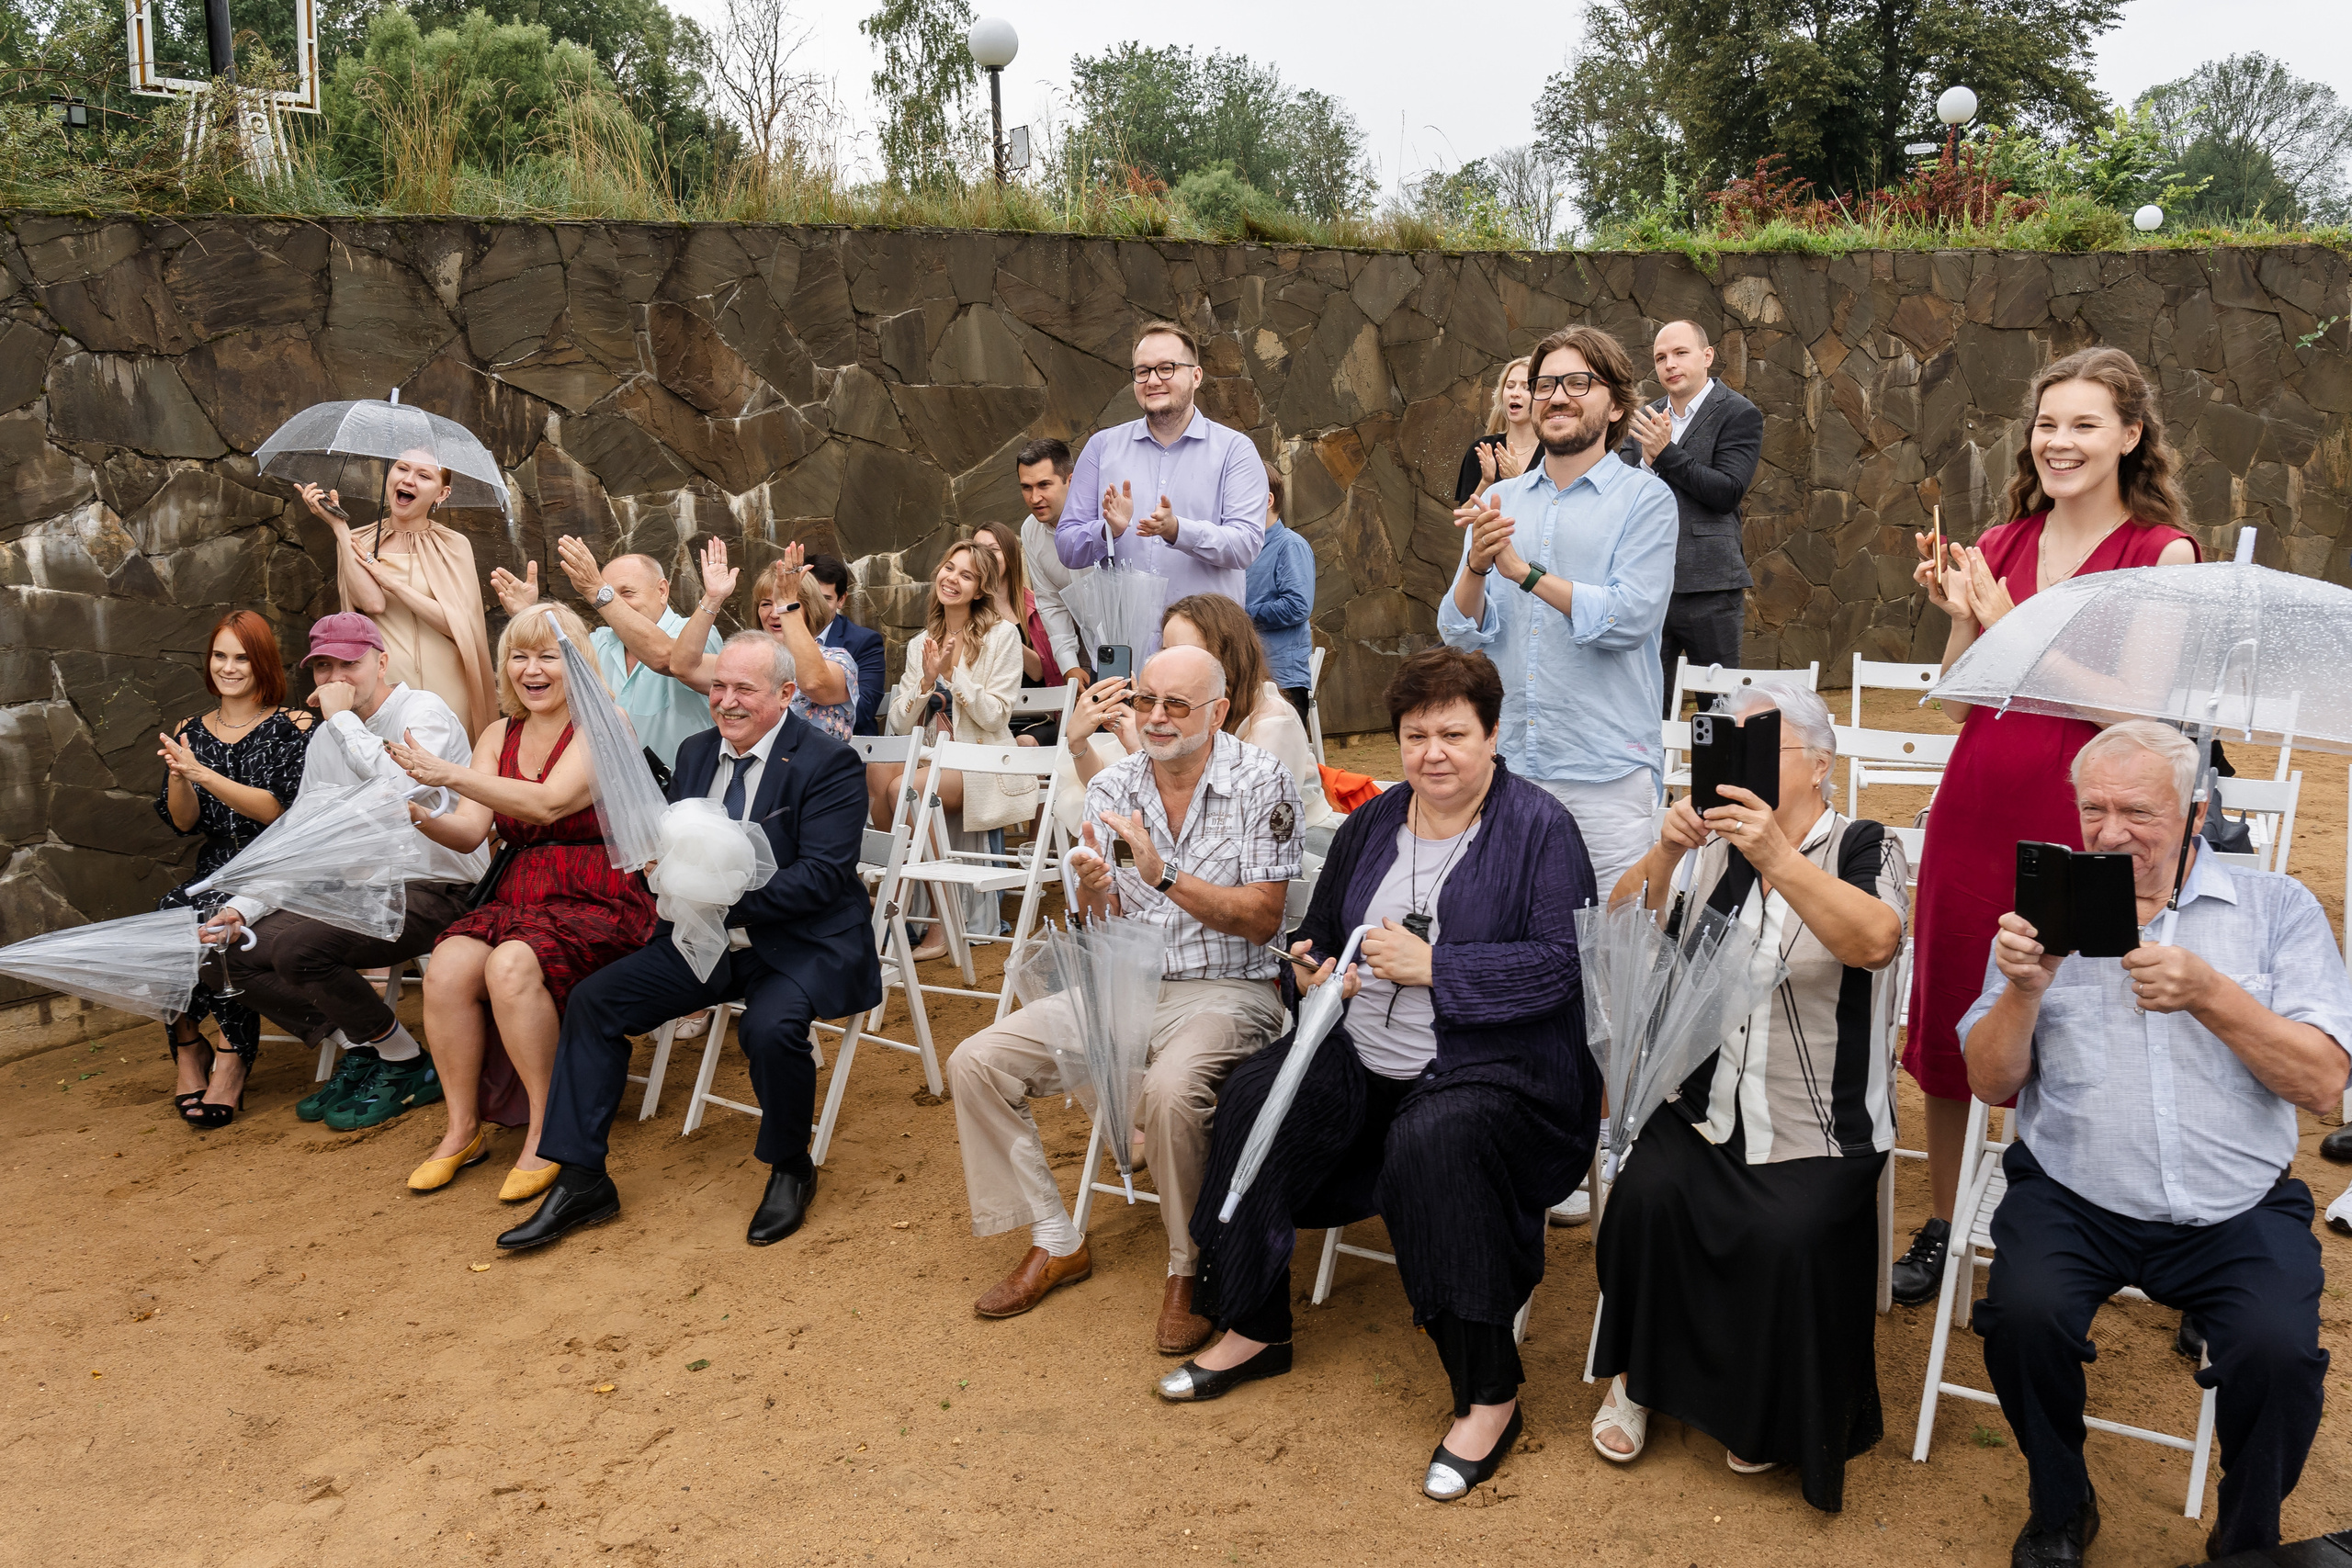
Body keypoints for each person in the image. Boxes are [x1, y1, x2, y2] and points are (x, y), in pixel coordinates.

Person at [1170, 648, 1598, 1506]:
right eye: (1415, 735)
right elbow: (1325, 932)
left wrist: (1439, 968)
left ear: (1493, 734)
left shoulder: (1539, 827)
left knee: (1433, 1139)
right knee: (1257, 1096)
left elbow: (1563, 967)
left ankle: (1489, 1393)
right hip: (1363, 1055)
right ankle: (1255, 1322)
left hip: (1499, 1076)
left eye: (1452, 733)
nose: (1432, 752)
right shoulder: (1375, 823)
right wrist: (1313, 964)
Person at [1960, 721, 2350, 1564]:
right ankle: (2062, 1502)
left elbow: (2324, 1086)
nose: (2107, 833)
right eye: (2092, 808)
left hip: (2234, 1205)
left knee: (2280, 1354)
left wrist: (2210, 991)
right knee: (2021, 1316)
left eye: (2137, 811)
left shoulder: (2278, 909)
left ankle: (2246, 1540)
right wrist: (2023, 993)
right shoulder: (2046, 913)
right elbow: (1989, 1082)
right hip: (2075, 1194)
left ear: (2198, 812)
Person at [1896, 345, 2200, 1308]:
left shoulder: (2162, 555)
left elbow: (2139, 708)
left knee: (2060, 1021)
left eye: (2082, 425)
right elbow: (1956, 702)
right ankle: (1946, 1225)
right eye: (2046, 425)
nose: (2060, 443)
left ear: (2130, 435)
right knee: (1956, 1015)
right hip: (1973, 804)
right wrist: (1964, 614)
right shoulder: (1999, 539)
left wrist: (2017, 620)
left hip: (2084, 821)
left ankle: (2037, 1238)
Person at [1588, 682, 1906, 1514]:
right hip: (1702, 1107)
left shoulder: (1866, 845)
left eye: (1760, 750)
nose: (1738, 769)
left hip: (1817, 1124)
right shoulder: (1714, 854)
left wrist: (1779, 858)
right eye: (1724, 750)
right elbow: (1622, 930)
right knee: (1645, 1200)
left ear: (1821, 767)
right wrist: (1663, 852)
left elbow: (1875, 940)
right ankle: (1635, 1376)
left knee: (1784, 1231)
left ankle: (1754, 1405)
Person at [946, 646, 1301, 1354]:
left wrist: (1163, 875)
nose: (1157, 717)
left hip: (1230, 989)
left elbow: (1263, 920)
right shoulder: (1114, 787)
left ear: (1220, 711)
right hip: (1126, 982)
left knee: (1171, 1091)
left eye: (1177, 704)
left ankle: (1188, 1265)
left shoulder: (1264, 780)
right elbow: (1105, 922)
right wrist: (1098, 893)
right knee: (976, 1061)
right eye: (1145, 701)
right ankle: (1055, 1233)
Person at [498, 632, 881, 1252]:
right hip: (705, 938)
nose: (725, 701)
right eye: (718, 686)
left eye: (744, 690)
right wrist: (661, 868)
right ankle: (581, 1176)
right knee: (595, 1003)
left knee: (769, 1028)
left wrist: (710, 892)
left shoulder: (828, 761)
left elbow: (822, 876)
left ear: (786, 694)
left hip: (800, 943)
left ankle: (790, 1165)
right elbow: (677, 842)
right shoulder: (697, 751)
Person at [387, 603, 658, 1201]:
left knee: (510, 962)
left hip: (599, 892)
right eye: (519, 655)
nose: (531, 669)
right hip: (523, 893)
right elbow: (467, 831)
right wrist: (412, 812)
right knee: (448, 967)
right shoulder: (496, 735)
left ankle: (548, 1125)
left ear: (577, 663)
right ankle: (463, 1127)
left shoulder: (605, 723)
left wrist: (448, 774)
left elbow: (548, 804)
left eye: (548, 655)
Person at [201, 613, 491, 1131]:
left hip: (441, 887)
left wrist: (340, 721)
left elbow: (398, 791)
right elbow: (303, 843)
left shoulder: (423, 712)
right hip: (355, 893)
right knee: (223, 954)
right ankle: (379, 1047)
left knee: (299, 951)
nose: (335, 679)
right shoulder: (325, 741)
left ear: (382, 661)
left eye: (348, 665)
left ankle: (400, 1062)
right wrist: (240, 908)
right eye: (323, 667)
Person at [1437, 324, 1678, 897]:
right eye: (1546, 385)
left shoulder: (1646, 499)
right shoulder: (1500, 501)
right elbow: (1458, 632)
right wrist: (1475, 568)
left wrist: (1524, 574)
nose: (1557, 396)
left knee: (1612, 949)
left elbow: (1630, 617)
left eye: (1577, 382)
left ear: (1616, 404)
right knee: (1507, 938)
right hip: (1509, 767)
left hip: (1607, 772)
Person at [153, 611, 313, 1128]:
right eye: (220, 655)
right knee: (167, 919)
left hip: (275, 868)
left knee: (216, 927)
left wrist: (201, 771)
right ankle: (187, 1046)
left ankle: (232, 1056)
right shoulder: (189, 731)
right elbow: (183, 822)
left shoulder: (296, 727)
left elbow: (277, 810)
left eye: (241, 657)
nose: (229, 667)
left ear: (262, 661)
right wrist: (182, 775)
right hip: (216, 861)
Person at [1050, 595, 1332, 849]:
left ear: (1226, 658)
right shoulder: (1172, 709)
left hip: (1289, 857)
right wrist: (1078, 740)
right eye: (1164, 650)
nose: (1170, 662)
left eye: (1185, 651)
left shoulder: (1272, 722)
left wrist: (1144, 752)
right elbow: (1106, 788)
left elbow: (1232, 825)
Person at [1056, 321, 1268, 606]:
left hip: (1202, 640)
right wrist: (1108, 531)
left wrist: (1178, 530)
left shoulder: (1235, 451)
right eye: (1142, 371)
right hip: (1126, 643)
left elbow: (1245, 546)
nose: (1153, 381)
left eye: (1166, 368)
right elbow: (1067, 546)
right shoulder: (1101, 448)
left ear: (1196, 376)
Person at [300, 450, 495, 739]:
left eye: (423, 475)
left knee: (448, 773)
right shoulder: (359, 540)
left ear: (442, 494)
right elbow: (372, 604)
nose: (409, 479)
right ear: (388, 478)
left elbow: (460, 626)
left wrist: (393, 583)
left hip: (447, 684)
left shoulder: (455, 545)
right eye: (402, 469)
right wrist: (340, 529)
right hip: (385, 686)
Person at [1616, 321, 1763, 694]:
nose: (1670, 364)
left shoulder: (1739, 413)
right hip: (1647, 584)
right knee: (1647, 705)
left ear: (1707, 356)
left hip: (1711, 587)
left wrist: (1665, 454)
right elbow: (1620, 492)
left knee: (1717, 712)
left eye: (1680, 353)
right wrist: (1647, 463)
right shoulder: (1643, 418)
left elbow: (1726, 492)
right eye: (1661, 357)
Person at [487, 540, 722, 773]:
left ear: (662, 591)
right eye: (609, 594)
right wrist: (527, 614)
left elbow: (667, 658)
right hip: (616, 796)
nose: (615, 603)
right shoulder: (599, 641)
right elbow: (549, 658)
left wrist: (596, 589)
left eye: (626, 593)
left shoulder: (697, 633)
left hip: (688, 793)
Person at [670, 541, 862, 743]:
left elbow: (814, 684)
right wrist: (713, 598)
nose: (774, 613)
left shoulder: (839, 661)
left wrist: (788, 605)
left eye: (782, 603)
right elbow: (683, 666)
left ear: (811, 608)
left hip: (812, 772)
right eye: (766, 604)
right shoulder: (746, 662)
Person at [970, 518, 1068, 735]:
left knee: (1026, 744)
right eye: (977, 550)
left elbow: (1039, 672)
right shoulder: (966, 609)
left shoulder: (1038, 607)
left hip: (1033, 715)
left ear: (1010, 555)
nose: (984, 557)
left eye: (993, 550)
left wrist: (1000, 630)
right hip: (981, 715)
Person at [1245, 461, 1315, 723]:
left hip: (1282, 679)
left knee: (1282, 760)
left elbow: (1298, 606)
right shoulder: (1243, 549)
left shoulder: (1290, 545)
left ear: (1267, 499)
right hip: (1247, 676)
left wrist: (1240, 615)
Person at [1017, 438, 1088, 680]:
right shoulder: (1030, 530)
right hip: (1085, 652)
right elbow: (1050, 601)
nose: (1034, 498)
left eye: (1044, 485)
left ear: (1071, 479)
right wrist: (1069, 665)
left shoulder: (1102, 515)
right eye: (1027, 487)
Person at [805, 553, 887, 737]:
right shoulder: (781, 633)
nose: (815, 606)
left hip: (845, 749)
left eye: (825, 599)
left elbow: (863, 710)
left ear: (841, 600)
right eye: (810, 597)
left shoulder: (865, 642)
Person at [1453, 355, 1536, 506]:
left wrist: (1516, 480)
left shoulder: (1554, 453)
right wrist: (1485, 483)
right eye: (1510, 386)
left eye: (1526, 387)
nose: (1515, 393)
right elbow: (1463, 521)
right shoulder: (1481, 449)